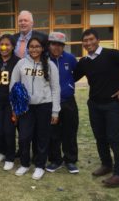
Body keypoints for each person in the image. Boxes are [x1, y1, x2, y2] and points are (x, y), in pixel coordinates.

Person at [74, 29, 119, 188]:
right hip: (94, 105)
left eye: (91, 39)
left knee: (114, 138)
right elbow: (71, 77)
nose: (88, 43)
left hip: (112, 105)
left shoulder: (112, 54)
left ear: (98, 40)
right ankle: (106, 164)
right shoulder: (84, 62)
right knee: (100, 137)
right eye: (85, 41)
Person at [10, 37, 60, 180]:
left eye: (37, 46)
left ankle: (40, 166)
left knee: (42, 137)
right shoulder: (21, 63)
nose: (34, 49)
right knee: (24, 137)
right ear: (28, 48)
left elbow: (56, 89)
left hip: (44, 106)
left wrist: (55, 111)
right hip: (25, 107)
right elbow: (13, 85)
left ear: (43, 48)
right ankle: (25, 164)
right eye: (31, 46)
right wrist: (14, 107)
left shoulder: (50, 65)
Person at [46, 32, 80, 174]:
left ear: (63, 46)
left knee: (70, 131)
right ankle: (55, 160)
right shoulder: (44, 59)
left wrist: (69, 86)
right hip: (50, 102)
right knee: (53, 133)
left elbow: (76, 74)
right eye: (54, 44)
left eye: (60, 45)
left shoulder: (70, 58)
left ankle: (70, 160)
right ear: (49, 44)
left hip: (68, 102)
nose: (56, 47)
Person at [0, 34, 20, 171]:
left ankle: (10, 157)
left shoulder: (18, 62)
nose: (4, 47)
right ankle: (2, 151)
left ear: (13, 46)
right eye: (2, 44)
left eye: (7, 44)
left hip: (10, 102)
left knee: (9, 130)